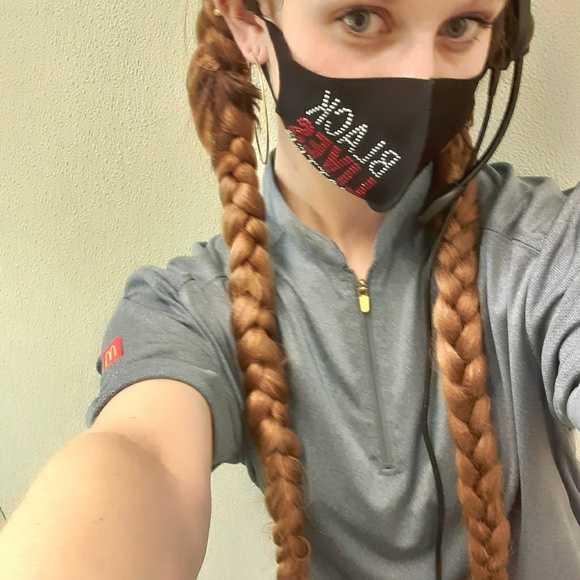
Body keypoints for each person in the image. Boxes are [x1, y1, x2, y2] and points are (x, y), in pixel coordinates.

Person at [0, 0, 579, 578]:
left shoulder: (545, 243)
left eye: (460, 26)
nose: (419, 76)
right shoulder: (189, 309)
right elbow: (143, 451)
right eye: (360, 18)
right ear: (248, 22)